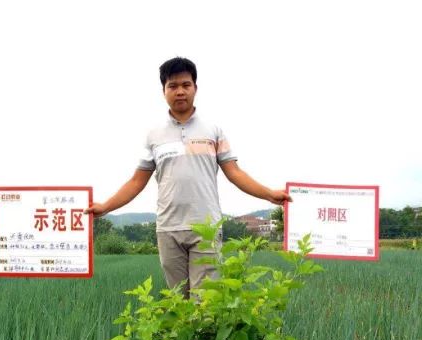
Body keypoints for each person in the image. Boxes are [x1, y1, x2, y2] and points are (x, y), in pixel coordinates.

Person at [85, 57, 290, 298]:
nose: (180, 91)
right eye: (173, 86)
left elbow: (234, 173)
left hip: (206, 228)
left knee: (205, 302)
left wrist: (270, 195)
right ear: (163, 91)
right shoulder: (154, 135)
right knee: (177, 302)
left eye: (186, 85)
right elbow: (136, 182)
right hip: (168, 228)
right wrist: (105, 207)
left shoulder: (213, 130)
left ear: (195, 88)